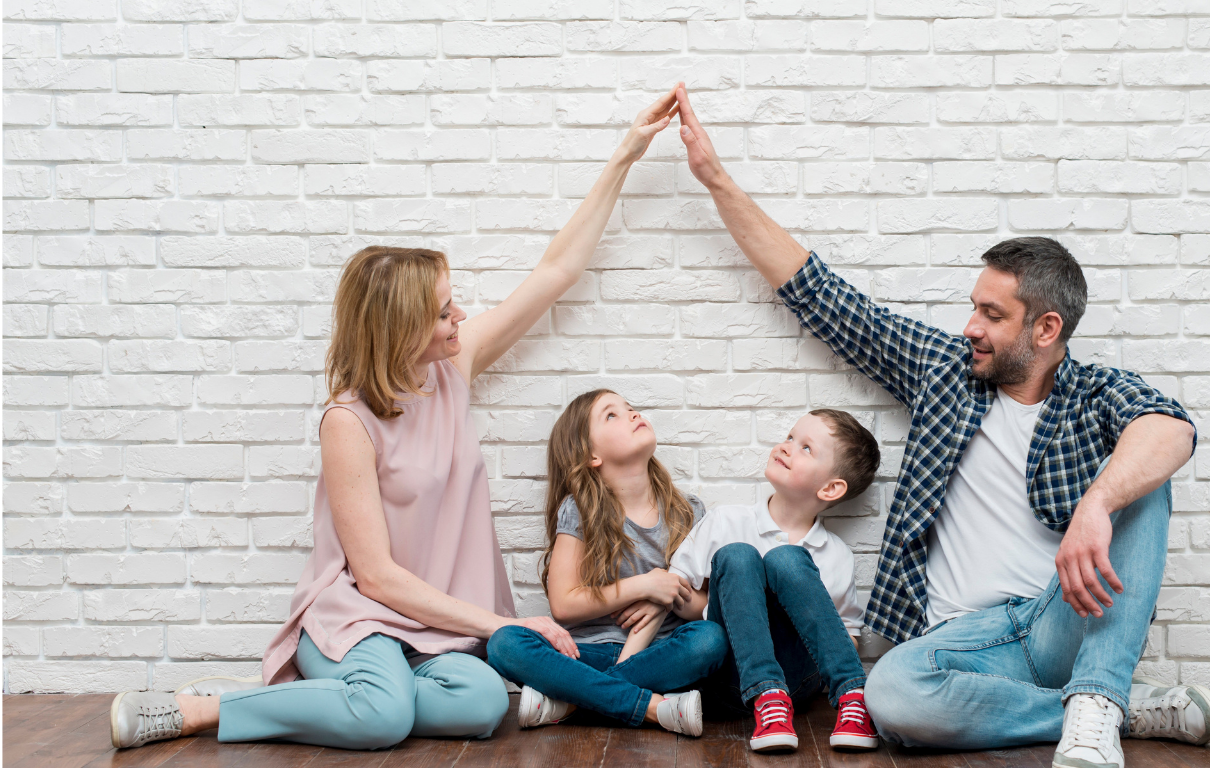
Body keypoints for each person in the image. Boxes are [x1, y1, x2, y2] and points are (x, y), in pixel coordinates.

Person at [108, 87, 684, 751]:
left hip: (438, 624)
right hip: (362, 618)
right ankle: (210, 709)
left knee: (476, 705)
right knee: (384, 719)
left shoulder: (453, 367)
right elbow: (376, 576)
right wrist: (500, 626)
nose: (460, 318)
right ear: (400, 327)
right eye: (443, 311)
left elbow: (555, 271)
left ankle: (359, 700)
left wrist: (626, 155)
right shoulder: (347, 423)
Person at [671, 84, 1210, 768]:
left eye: (993, 314)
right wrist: (716, 180)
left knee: (1146, 474)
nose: (971, 326)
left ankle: (1094, 695)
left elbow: (1172, 429)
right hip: (962, 643)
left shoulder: (1092, 394)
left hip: (1059, 622)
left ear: (1046, 328)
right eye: (973, 307)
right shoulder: (944, 370)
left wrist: (1098, 503)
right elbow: (822, 295)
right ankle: (1108, 707)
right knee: (893, 697)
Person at [485, 389, 728, 736]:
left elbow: (704, 608)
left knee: (710, 639)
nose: (632, 414)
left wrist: (672, 591)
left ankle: (571, 703)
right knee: (504, 643)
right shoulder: (579, 510)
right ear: (591, 455)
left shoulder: (689, 511)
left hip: (660, 655)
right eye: (612, 415)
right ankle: (653, 708)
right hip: (587, 654)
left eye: (630, 408)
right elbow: (564, 606)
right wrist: (644, 584)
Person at [668, 410, 881, 754]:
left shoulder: (836, 554)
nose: (787, 447)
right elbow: (676, 590)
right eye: (790, 437)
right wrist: (731, 605)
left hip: (798, 682)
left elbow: (849, 636)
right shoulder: (726, 521)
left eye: (806, 448)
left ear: (830, 488)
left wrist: (806, 620)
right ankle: (767, 695)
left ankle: (853, 698)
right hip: (729, 677)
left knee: (787, 559)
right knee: (738, 555)